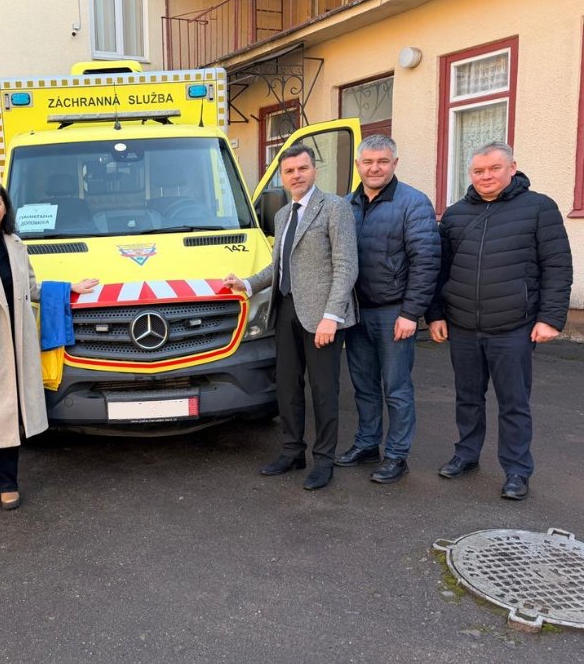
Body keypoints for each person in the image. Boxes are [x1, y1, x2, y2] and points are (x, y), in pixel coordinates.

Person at [0, 181, 97, 518]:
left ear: (5, 208)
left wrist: (70, 288)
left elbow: (32, 288)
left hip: (15, 346)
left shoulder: (16, 245)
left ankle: (7, 484)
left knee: (9, 419)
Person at [426, 141, 572, 500]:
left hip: (513, 327)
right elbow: (440, 270)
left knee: (514, 403)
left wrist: (550, 318)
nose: (486, 176)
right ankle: (466, 454)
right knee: (467, 398)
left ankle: (517, 470)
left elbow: (557, 266)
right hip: (462, 325)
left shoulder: (539, 208)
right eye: (478, 170)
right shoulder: (456, 214)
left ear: (512, 168)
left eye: (494, 168)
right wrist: (436, 314)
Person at [224, 144, 357, 490]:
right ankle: (292, 451)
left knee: (324, 391)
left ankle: (324, 460)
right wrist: (247, 284)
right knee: (287, 386)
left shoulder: (335, 208)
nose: (296, 176)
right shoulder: (284, 214)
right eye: (289, 171)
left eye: (302, 168)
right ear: (282, 177)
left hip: (322, 317)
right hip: (285, 311)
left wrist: (332, 316)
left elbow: (346, 266)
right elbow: (278, 266)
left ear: (314, 171)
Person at [335, 136, 440, 483]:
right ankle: (367, 444)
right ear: (358, 166)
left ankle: (396, 455)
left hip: (394, 313)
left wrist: (411, 313)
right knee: (364, 386)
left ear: (395, 163)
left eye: (382, 161)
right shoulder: (346, 205)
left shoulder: (413, 203)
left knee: (396, 389)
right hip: (356, 313)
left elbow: (426, 262)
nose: (374, 168)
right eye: (368, 162)